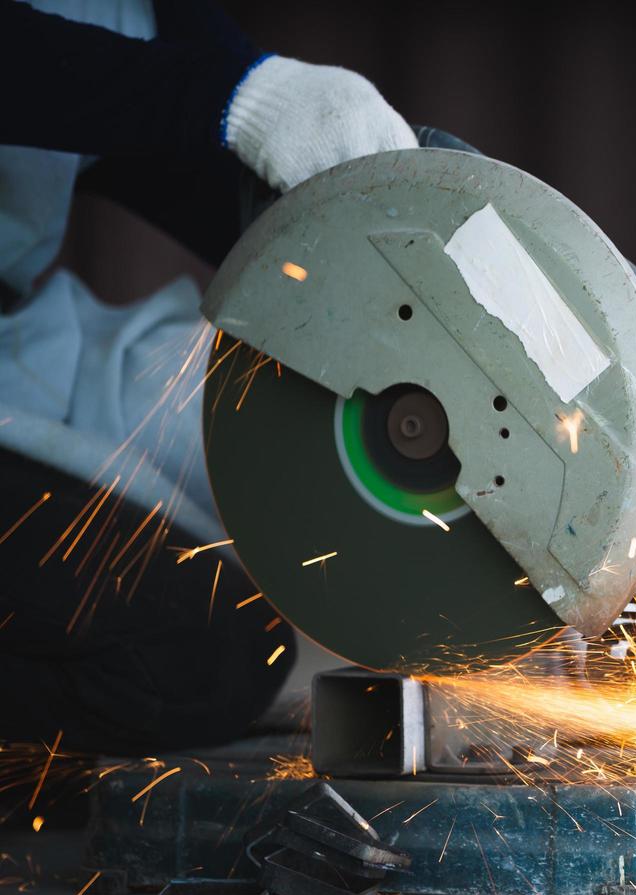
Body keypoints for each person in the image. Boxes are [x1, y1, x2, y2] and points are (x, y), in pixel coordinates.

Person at [0, 0, 417, 752]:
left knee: (299, 441)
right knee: (206, 650)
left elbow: (221, 167)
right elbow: (193, 92)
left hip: (21, 343)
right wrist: (238, 97)